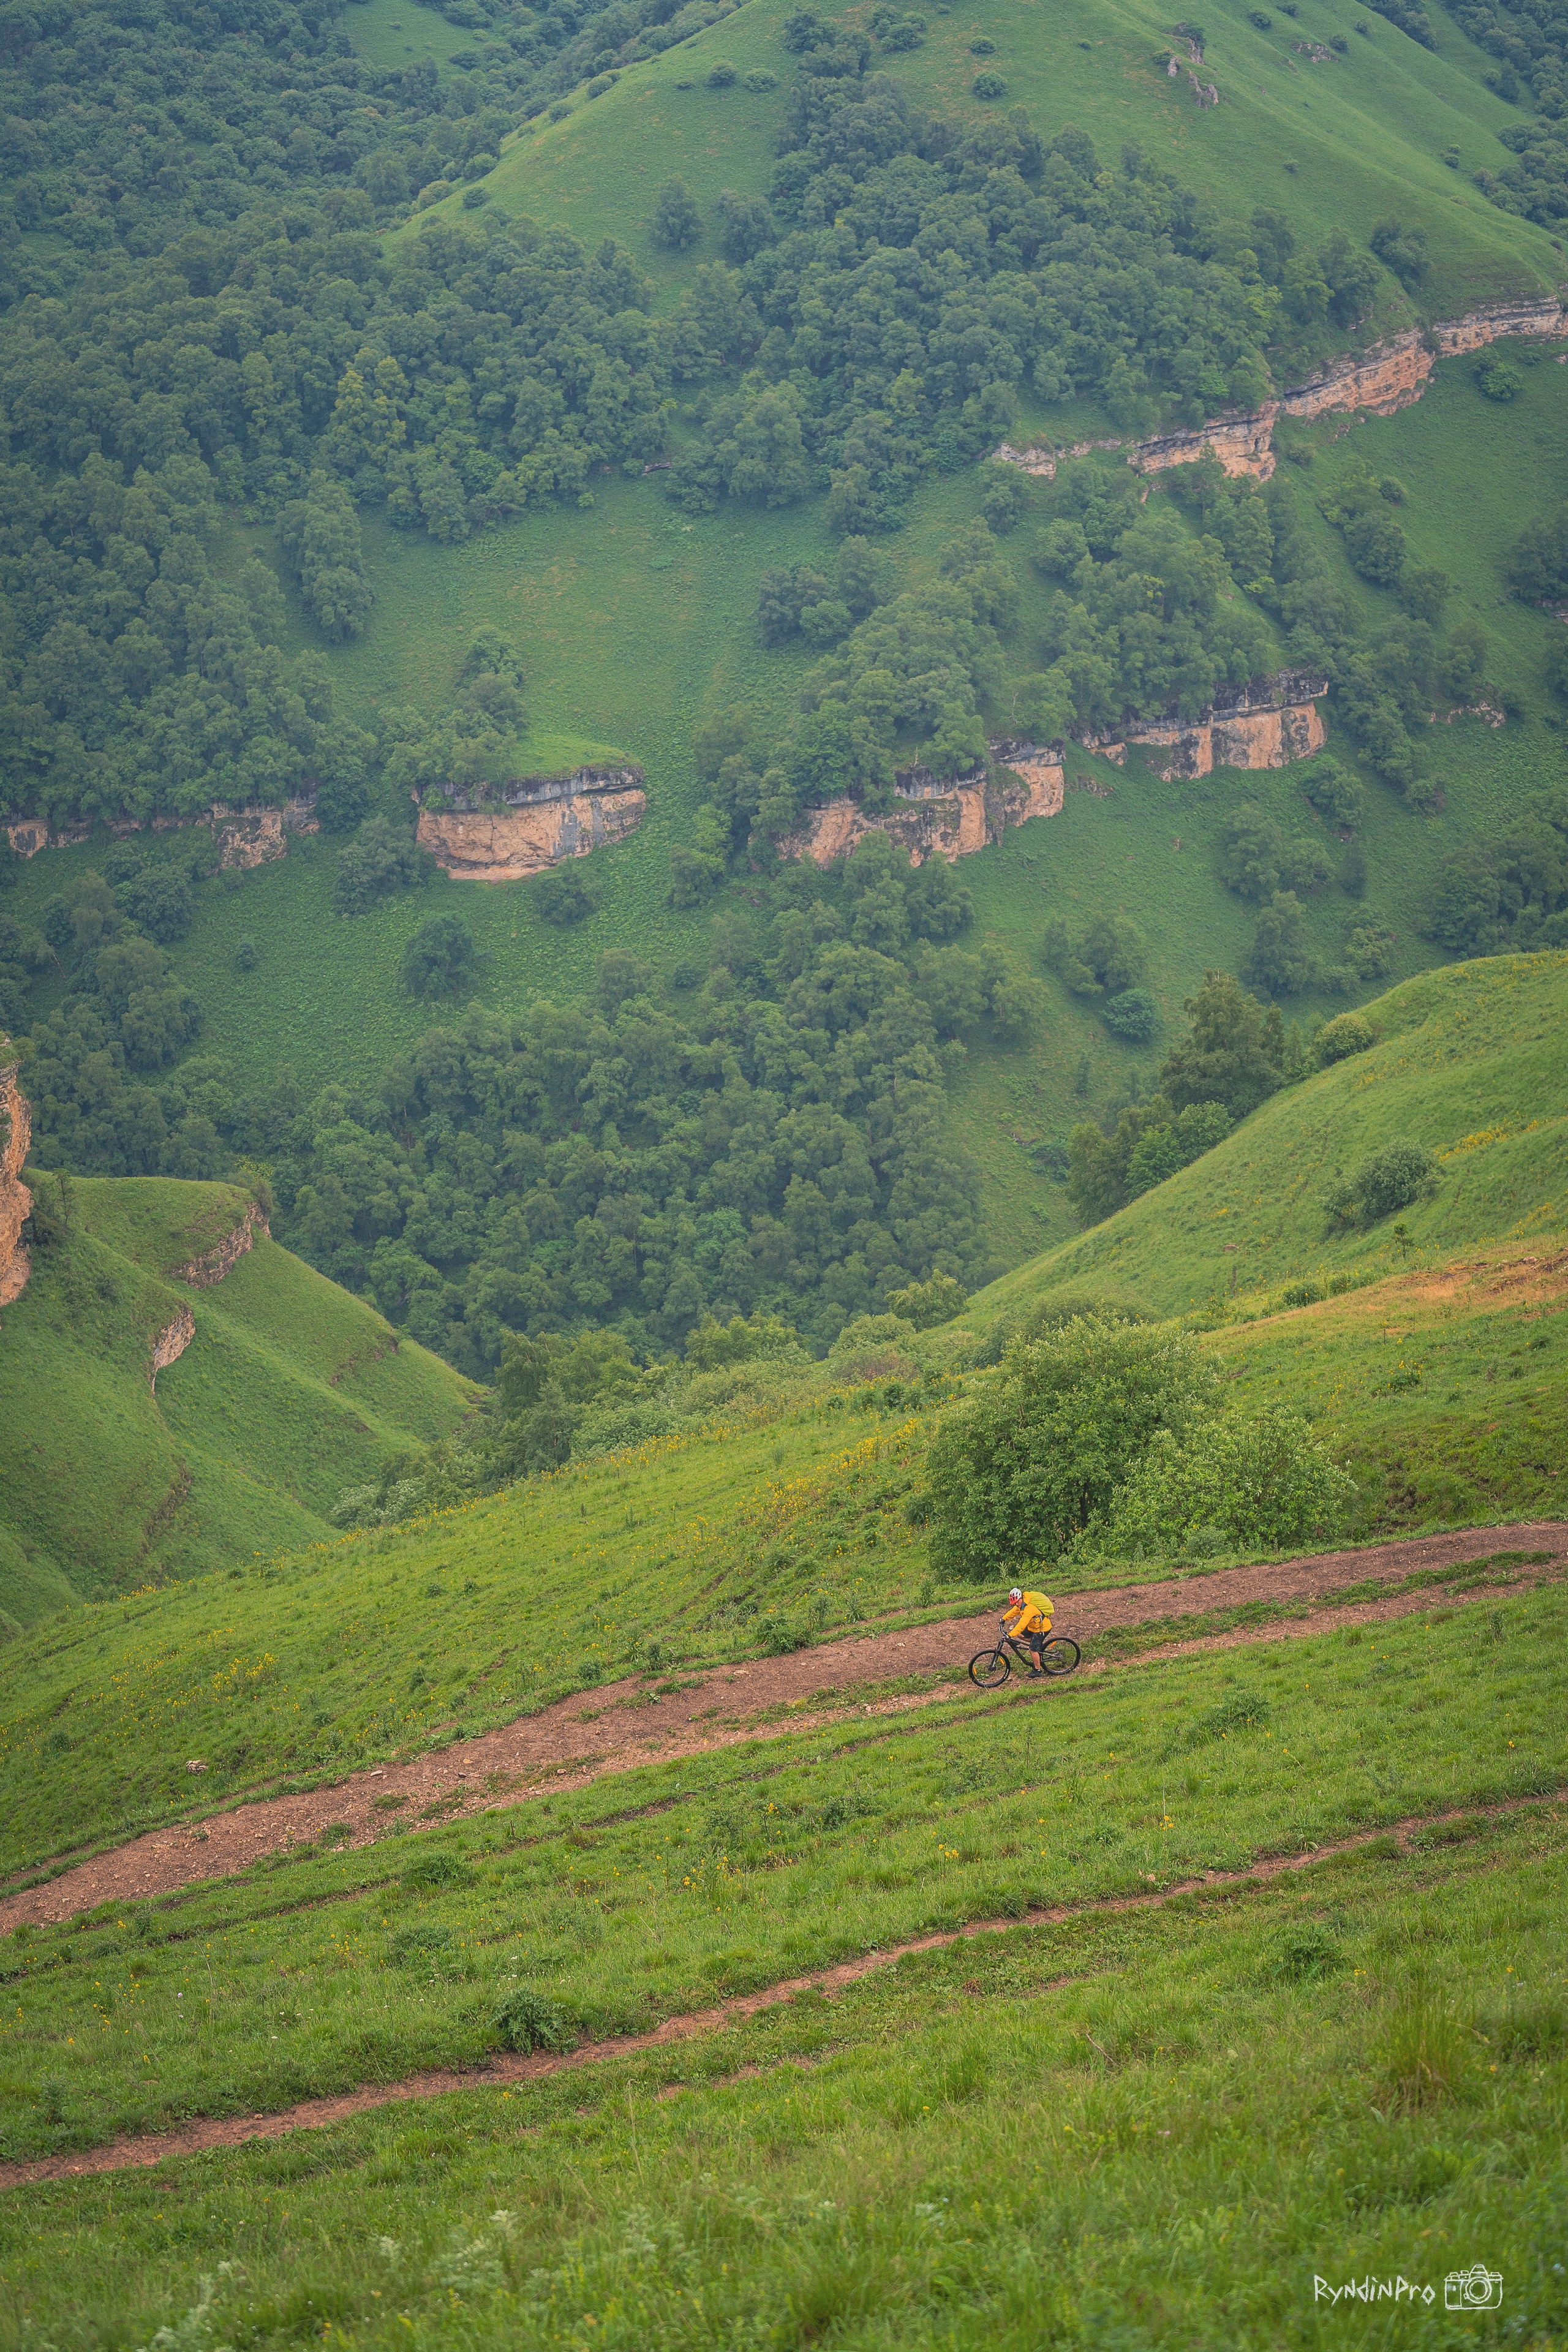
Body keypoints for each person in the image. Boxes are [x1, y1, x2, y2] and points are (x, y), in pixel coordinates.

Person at [1001, 1585, 1054, 1675]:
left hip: (1042, 1629)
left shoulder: (1029, 1609)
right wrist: (1004, 1619)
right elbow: (1015, 1611)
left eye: (1017, 1602)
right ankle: (1037, 1644)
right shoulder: (1022, 1604)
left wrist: (1010, 1635)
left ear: (1021, 1598)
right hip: (1034, 1627)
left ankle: (1037, 1670)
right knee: (1020, 1634)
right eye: (1015, 1603)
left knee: (1032, 1650)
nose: (1017, 1604)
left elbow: (1022, 1625)